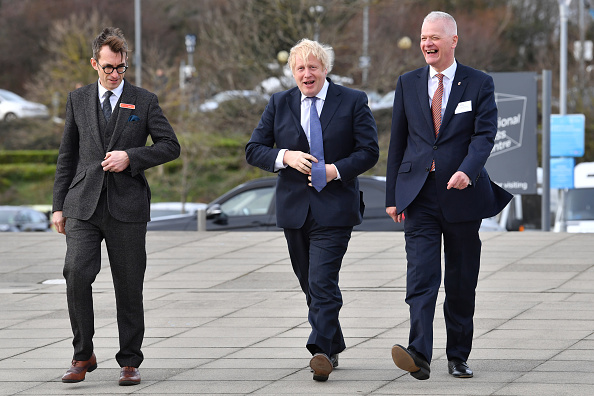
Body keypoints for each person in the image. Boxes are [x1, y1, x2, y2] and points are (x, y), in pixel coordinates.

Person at [385, 11, 512, 380]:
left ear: (453, 41)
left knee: (460, 282)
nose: (427, 43)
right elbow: (399, 142)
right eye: (424, 37)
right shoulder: (407, 83)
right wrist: (393, 195)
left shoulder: (478, 83)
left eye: (435, 37)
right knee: (421, 278)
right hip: (419, 196)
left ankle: (458, 355)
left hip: (463, 197)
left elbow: (484, 136)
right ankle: (419, 354)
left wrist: (467, 170)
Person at [52, 27, 180, 386]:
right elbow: (67, 157)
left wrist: (132, 157)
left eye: (121, 68)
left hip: (128, 207)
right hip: (82, 204)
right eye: (108, 67)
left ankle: (129, 360)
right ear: (95, 63)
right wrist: (58, 206)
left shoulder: (145, 100)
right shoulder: (76, 100)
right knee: (75, 273)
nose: (114, 74)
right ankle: (83, 354)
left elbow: (171, 145)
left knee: (128, 284)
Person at [246, 38, 379, 381]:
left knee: (322, 280)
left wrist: (336, 170)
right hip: (294, 210)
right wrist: (284, 156)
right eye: (300, 68)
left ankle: (319, 349)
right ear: (292, 72)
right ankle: (333, 343)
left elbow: (369, 151)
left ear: (325, 69)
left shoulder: (352, 100)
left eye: (313, 67)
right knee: (309, 283)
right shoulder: (279, 102)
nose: (307, 74)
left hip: (335, 207)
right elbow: (254, 149)